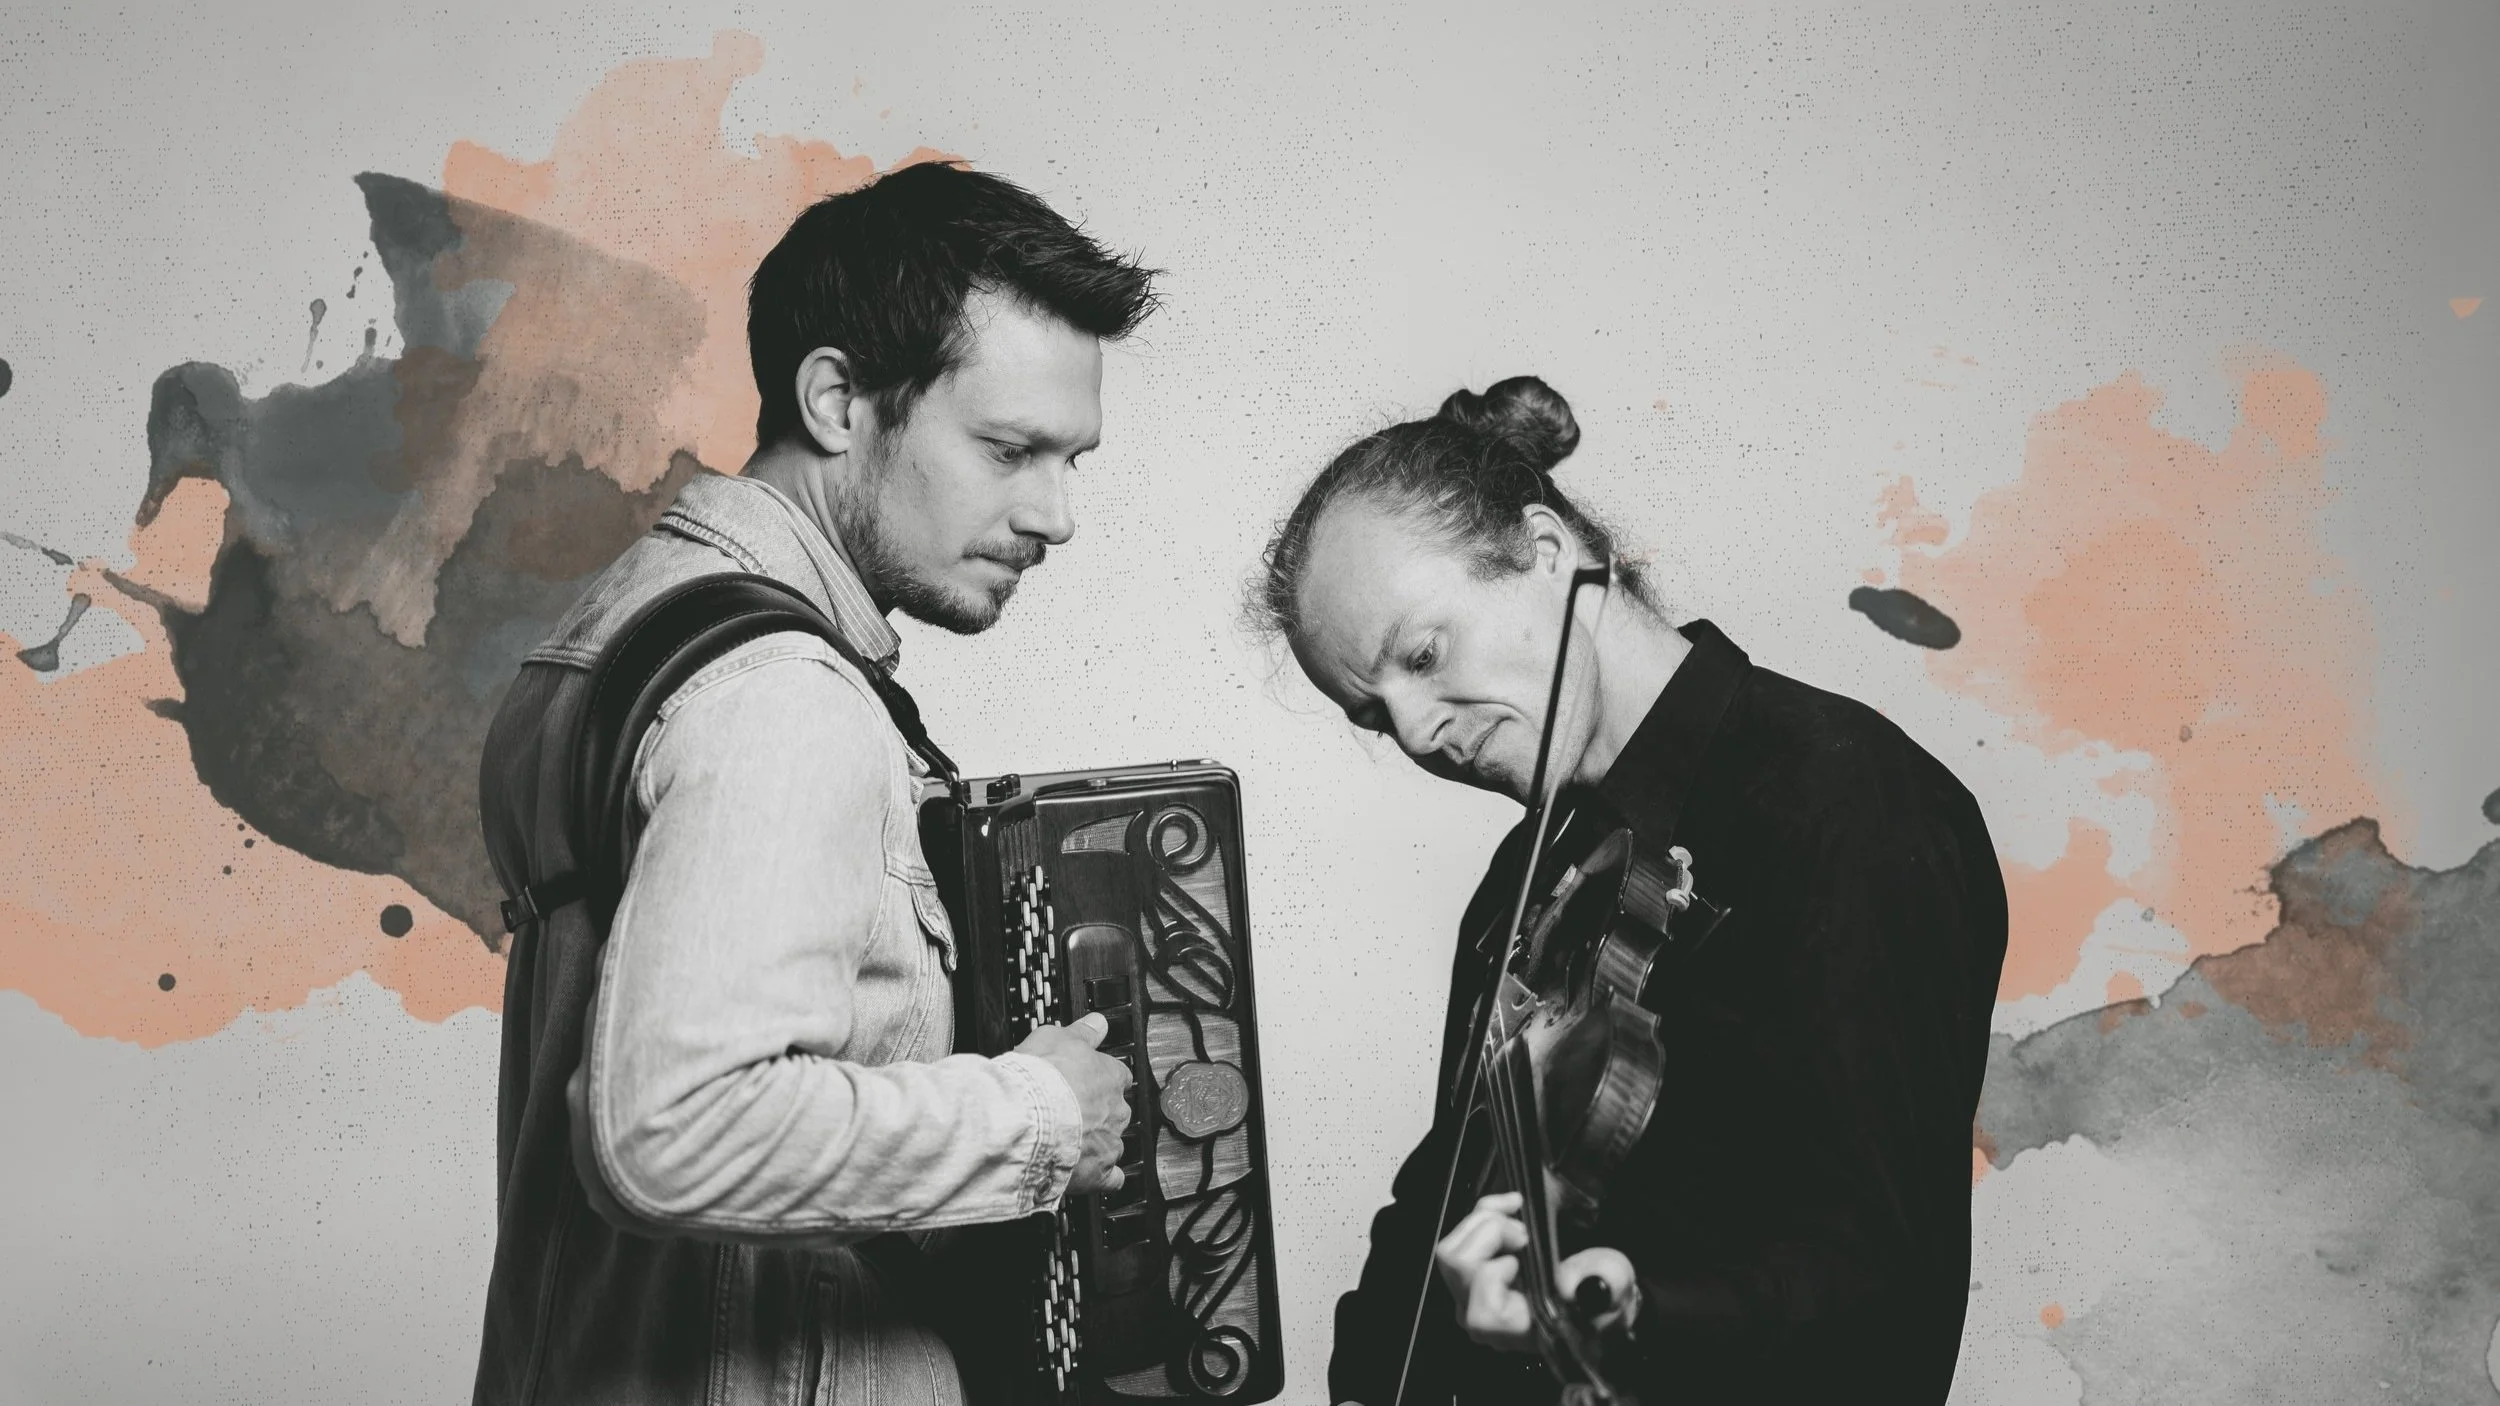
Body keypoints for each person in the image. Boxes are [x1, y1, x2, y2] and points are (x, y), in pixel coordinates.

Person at [470, 163, 1158, 1405]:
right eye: (1009, 449)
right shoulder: (778, 692)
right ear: (838, 399)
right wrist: (1041, 1115)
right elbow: (670, 1128)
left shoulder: (620, 635)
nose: (1055, 515)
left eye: (1071, 459)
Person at [1253, 377, 2008, 1405]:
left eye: (1424, 656)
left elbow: (1882, 1290)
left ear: (1546, 551)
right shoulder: (1523, 880)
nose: (1420, 732)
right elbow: (1442, 1195)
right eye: (1375, 715)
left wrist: (1638, 1312)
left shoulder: (1848, 800)